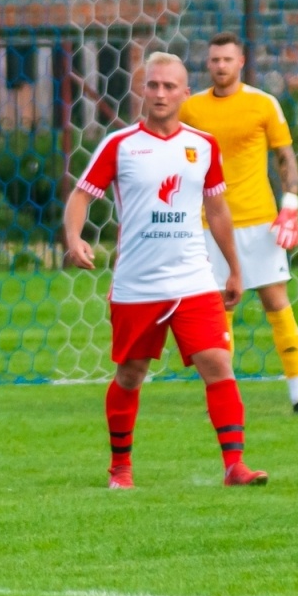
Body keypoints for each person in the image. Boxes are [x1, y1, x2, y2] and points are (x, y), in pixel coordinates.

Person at [62, 51, 269, 491]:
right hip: (137, 284)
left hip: (194, 279)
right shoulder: (120, 145)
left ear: (184, 93)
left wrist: (234, 269)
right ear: (142, 89)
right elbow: (81, 195)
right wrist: (74, 238)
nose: (160, 93)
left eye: (169, 86)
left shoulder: (203, 146)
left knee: (218, 364)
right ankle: (120, 469)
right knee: (130, 373)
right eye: (153, 84)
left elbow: (217, 210)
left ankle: (235, 466)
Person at [180, 33, 298, 415]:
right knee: (218, 312)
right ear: (208, 63)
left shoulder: (263, 103)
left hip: (259, 222)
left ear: (241, 62)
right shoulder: (191, 109)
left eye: (227, 59)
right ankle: (224, 397)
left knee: (276, 302)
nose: (220, 66)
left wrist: (290, 202)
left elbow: (285, 156)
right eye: (214, 60)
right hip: (209, 224)